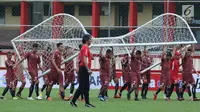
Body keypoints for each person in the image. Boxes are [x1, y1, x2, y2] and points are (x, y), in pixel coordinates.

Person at [70, 34, 95, 108]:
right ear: (87, 40)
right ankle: (73, 101)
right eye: (90, 39)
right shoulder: (85, 47)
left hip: (84, 68)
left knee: (86, 87)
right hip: (83, 68)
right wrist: (88, 69)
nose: (91, 41)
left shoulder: (86, 48)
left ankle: (87, 103)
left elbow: (92, 58)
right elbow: (84, 60)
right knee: (82, 86)